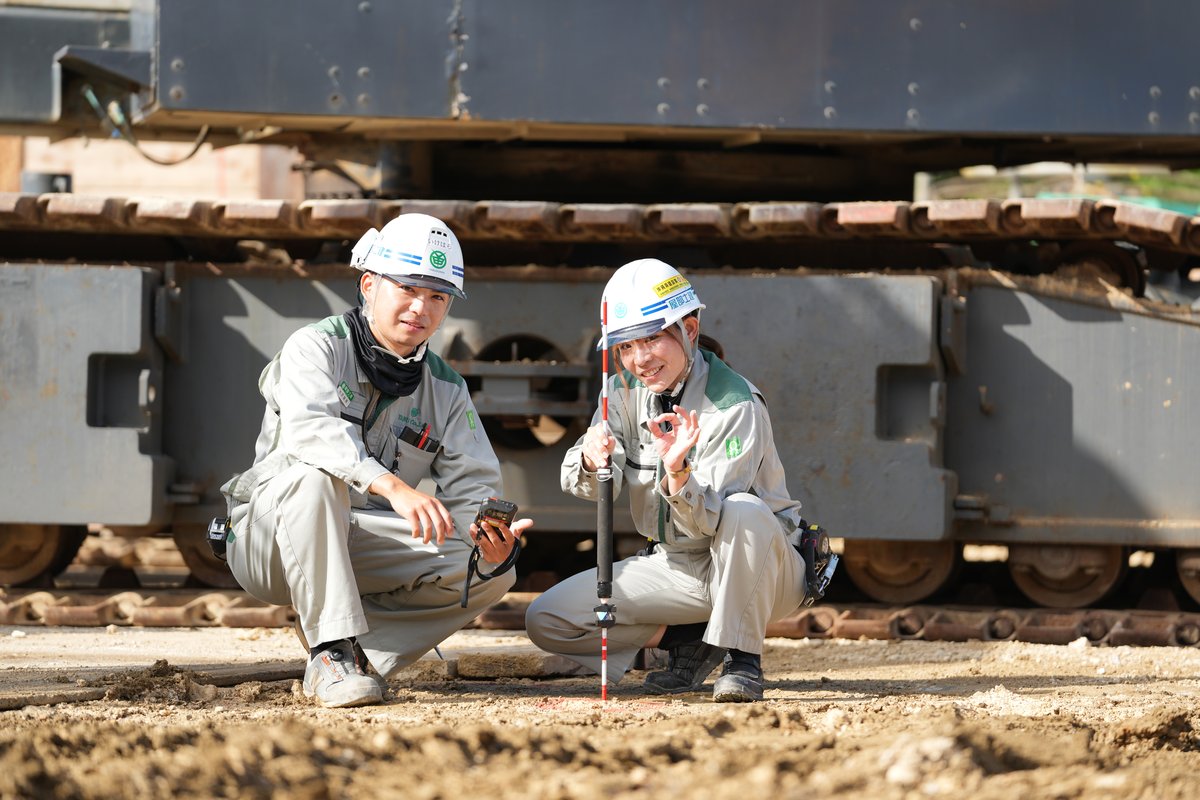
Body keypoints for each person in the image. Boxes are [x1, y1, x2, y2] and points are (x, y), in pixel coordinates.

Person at [220, 213, 530, 708]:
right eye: (407, 288)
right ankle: (330, 647)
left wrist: (490, 537)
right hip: (270, 540)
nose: (420, 307)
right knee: (314, 479)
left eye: (438, 296)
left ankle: (351, 655)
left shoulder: (446, 388)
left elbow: (474, 485)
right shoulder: (315, 347)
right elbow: (312, 433)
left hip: (355, 541)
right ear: (369, 285)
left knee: (490, 570)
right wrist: (393, 487)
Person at [526, 258, 810, 702]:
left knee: (744, 510)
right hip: (676, 563)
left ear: (689, 330)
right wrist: (591, 460)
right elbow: (591, 488)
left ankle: (743, 660)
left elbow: (711, 522)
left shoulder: (734, 404)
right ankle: (692, 639)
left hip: (759, 570)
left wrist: (678, 474)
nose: (639, 359)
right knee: (546, 619)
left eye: (652, 338)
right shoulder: (619, 392)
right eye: (626, 346)